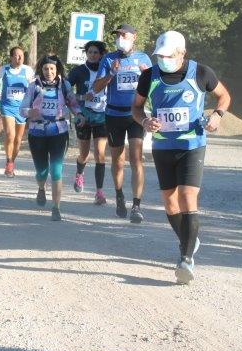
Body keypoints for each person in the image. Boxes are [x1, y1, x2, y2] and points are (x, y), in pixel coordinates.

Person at [132, 30, 231, 284]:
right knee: (169, 203)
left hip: (192, 144)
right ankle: (189, 239)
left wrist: (217, 115)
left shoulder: (201, 73)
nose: (163, 60)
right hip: (163, 146)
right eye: (160, 56)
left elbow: (224, 96)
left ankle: (186, 259)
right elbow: (136, 107)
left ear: (182, 53)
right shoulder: (149, 76)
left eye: (168, 56)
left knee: (187, 196)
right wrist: (145, 121)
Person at [91, 24, 151, 223]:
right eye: (117, 36)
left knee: (136, 159)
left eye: (124, 35)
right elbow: (96, 88)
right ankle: (119, 196)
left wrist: (147, 76)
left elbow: (155, 88)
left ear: (134, 37)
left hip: (135, 115)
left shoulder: (144, 59)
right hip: (114, 114)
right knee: (117, 160)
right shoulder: (109, 59)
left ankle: (136, 206)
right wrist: (111, 74)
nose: (120, 38)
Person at [19, 55, 84, 220]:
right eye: (46, 68)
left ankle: (56, 208)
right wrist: (29, 112)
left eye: (52, 69)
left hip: (59, 132)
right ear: (41, 70)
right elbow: (22, 108)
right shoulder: (33, 86)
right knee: (42, 172)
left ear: (57, 70)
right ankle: (41, 188)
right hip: (37, 133)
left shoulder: (64, 85)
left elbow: (73, 104)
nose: (49, 72)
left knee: (56, 171)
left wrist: (79, 114)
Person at [67, 41, 109, 205]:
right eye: (89, 52)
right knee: (84, 154)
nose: (92, 55)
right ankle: (79, 174)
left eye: (95, 52)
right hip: (83, 116)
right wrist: (82, 97)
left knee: (100, 154)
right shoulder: (78, 71)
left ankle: (99, 192)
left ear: (101, 55)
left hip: (102, 117)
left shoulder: (107, 72)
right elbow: (66, 92)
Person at [0, 46, 35, 177]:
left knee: (18, 139)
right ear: (11, 57)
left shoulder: (27, 70)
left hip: (22, 109)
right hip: (7, 106)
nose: (20, 57)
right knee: (10, 135)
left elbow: (34, 86)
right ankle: (8, 161)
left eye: (22, 55)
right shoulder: (4, 69)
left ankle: (11, 163)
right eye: (17, 55)